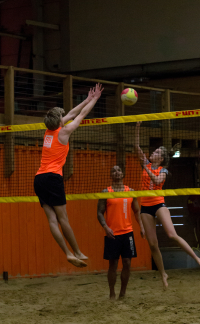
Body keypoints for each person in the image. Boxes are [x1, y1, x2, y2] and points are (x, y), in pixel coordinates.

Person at [34, 83, 103, 268]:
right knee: (63, 219)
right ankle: (77, 251)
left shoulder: (48, 132)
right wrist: (95, 99)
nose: (65, 117)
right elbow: (80, 115)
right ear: (59, 121)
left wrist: (86, 99)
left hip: (39, 179)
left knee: (52, 220)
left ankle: (67, 253)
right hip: (52, 178)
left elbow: (71, 113)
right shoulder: (64, 132)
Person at [134, 121, 200, 289]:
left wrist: (146, 168)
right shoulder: (146, 163)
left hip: (159, 204)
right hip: (145, 207)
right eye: (154, 150)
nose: (153, 152)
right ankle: (163, 274)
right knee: (152, 244)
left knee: (171, 234)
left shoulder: (163, 171)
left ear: (161, 158)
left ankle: (198, 260)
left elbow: (156, 180)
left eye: (157, 152)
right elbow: (136, 146)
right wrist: (138, 128)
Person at [97, 165, 145, 299]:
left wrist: (141, 227)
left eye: (118, 170)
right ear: (111, 175)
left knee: (127, 263)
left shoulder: (130, 191)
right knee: (112, 264)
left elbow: (136, 211)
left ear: (123, 174)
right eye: (113, 170)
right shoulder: (106, 192)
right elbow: (99, 213)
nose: (116, 172)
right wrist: (106, 227)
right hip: (112, 233)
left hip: (127, 233)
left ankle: (122, 293)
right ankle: (112, 292)